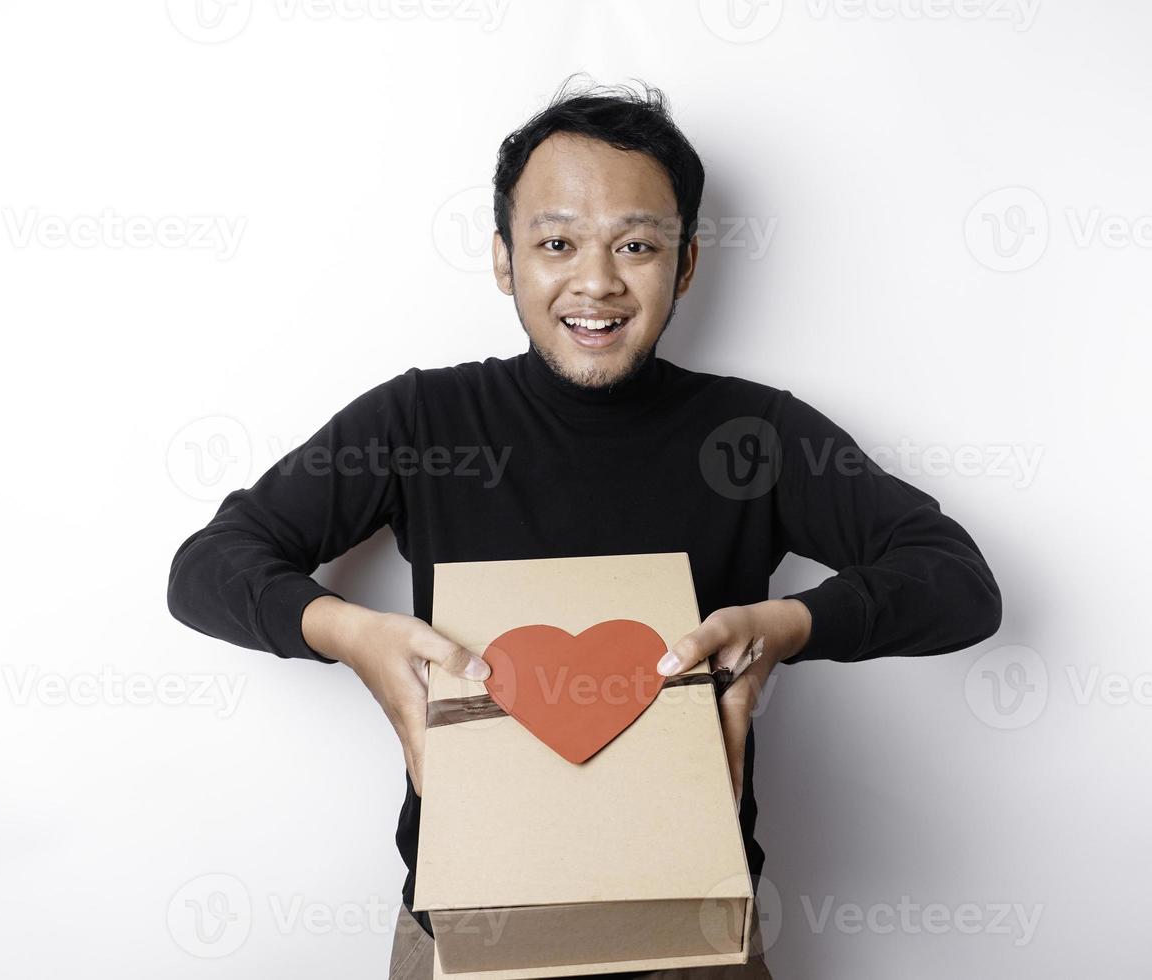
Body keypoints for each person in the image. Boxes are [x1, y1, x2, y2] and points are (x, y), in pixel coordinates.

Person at [166, 75, 1003, 979]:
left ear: (684, 265)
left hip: (695, 935)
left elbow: (959, 585)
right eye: (556, 241)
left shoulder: (754, 435)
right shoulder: (421, 421)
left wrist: (783, 631)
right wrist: (352, 635)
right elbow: (208, 566)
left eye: (636, 244)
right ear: (503, 258)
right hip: (465, 932)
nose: (595, 281)